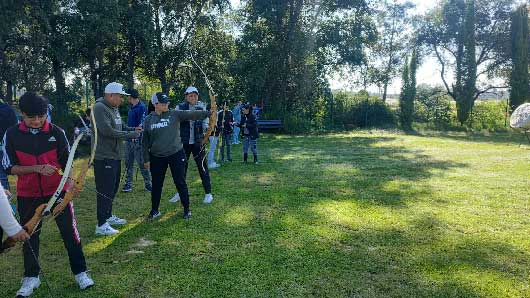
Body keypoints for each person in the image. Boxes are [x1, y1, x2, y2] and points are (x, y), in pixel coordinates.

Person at [2, 92, 94, 296]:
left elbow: (67, 163)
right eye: (31, 117)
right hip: (28, 194)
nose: (36, 121)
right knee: (29, 236)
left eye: (41, 116)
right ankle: (31, 279)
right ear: (22, 115)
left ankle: (81, 273)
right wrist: (36, 168)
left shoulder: (57, 132)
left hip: (57, 192)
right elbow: (9, 167)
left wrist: (70, 187)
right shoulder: (12, 134)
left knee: (70, 232)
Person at [142, 92, 210, 220]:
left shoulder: (174, 114)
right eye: (163, 103)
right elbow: (145, 142)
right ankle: (155, 210)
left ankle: (186, 209)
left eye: (167, 102)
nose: (167, 104)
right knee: (157, 184)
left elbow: (192, 114)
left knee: (180, 182)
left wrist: (208, 113)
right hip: (157, 157)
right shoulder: (148, 120)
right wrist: (146, 159)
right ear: (155, 104)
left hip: (176, 154)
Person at [92, 82, 141, 236]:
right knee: (104, 191)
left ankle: (108, 216)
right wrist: (131, 135)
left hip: (115, 155)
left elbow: (120, 126)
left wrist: (133, 129)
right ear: (110, 95)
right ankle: (101, 225)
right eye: (120, 96)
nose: (122, 99)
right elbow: (107, 131)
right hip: (104, 156)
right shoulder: (99, 108)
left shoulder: (114, 108)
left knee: (112, 188)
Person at [169, 86, 214, 204]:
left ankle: (208, 193)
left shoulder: (201, 106)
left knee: (202, 167)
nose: (193, 97)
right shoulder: (180, 107)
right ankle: (180, 192)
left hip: (199, 142)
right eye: (190, 95)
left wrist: (208, 128)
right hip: (184, 143)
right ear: (186, 97)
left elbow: (206, 122)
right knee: (181, 168)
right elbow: (175, 122)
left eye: (195, 95)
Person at [122, 88, 151, 193]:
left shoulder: (142, 107)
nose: (126, 98)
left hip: (138, 140)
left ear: (130, 97)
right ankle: (128, 184)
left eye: (127, 96)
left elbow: (142, 124)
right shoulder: (131, 107)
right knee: (128, 162)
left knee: (142, 163)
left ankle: (148, 184)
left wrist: (137, 135)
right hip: (128, 139)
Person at [206, 103, 220, 169]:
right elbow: (210, 126)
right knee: (211, 149)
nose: (215, 109)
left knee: (213, 149)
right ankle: (210, 163)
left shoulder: (214, 115)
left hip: (215, 133)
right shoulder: (210, 116)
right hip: (212, 134)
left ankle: (211, 161)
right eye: (213, 108)